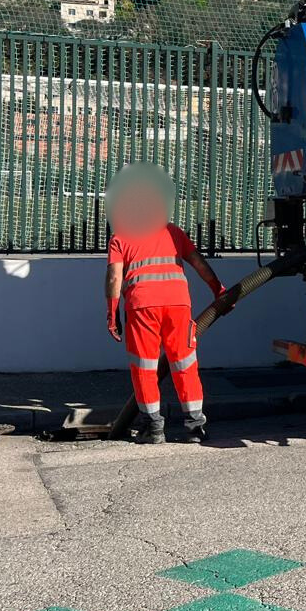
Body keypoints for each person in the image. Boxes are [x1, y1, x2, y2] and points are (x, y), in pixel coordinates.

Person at [104, 163, 224, 444]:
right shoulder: (173, 232)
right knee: (184, 364)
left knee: (145, 368)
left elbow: (114, 277)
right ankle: (195, 427)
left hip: (142, 307)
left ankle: (153, 428)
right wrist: (219, 291)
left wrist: (111, 314)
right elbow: (199, 264)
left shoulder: (121, 237)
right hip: (178, 305)